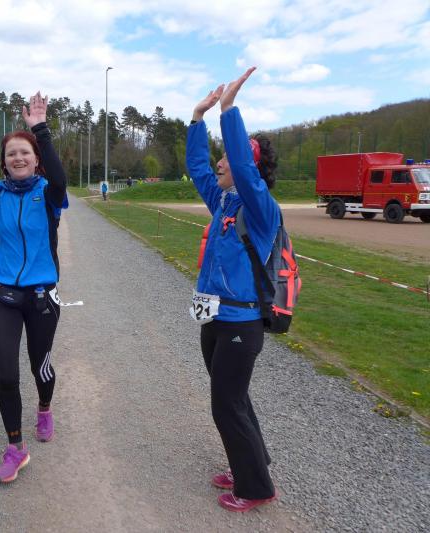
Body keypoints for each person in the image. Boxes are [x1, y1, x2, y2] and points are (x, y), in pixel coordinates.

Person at [0, 91, 67, 483]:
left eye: (25, 152)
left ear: (36, 159)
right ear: (3, 163)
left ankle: (44, 407)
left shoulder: (49, 193)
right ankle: (15, 448)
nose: (18, 158)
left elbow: (60, 179)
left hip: (41, 297)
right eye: (11, 154)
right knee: (6, 373)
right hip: (2, 294)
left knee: (40, 365)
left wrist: (41, 129)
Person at [185, 67, 280, 512]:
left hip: (242, 321)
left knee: (225, 404)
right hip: (215, 317)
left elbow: (241, 165)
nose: (220, 163)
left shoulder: (261, 209)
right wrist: (196, 119)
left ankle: (256, 488)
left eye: (228, 156)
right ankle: (250, 466)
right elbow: (198, 167)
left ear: (249, 168)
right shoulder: (223, 200)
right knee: (233, 400)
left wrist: (229, 111)